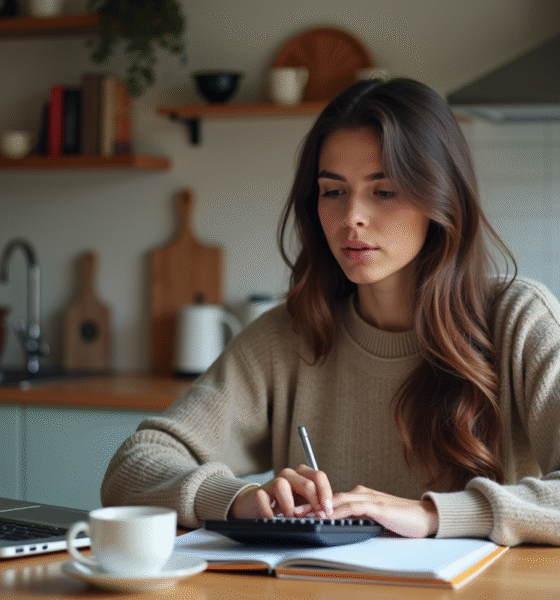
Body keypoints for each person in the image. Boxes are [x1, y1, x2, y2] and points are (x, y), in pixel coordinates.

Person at [101, 78, 560, 546]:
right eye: (332, 191)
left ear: (440, 199)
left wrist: (432, 515)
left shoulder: (520, 321)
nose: (351, 217)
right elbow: (132, 467)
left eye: (384, 191)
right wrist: (237, 499)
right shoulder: (290, 334)